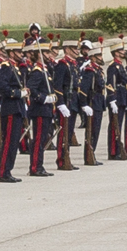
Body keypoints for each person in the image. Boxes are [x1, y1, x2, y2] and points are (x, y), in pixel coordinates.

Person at [0, 43, 27, 183]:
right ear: (11, 53)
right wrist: (18, 93)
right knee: (9, 142)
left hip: (17, 107)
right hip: (10, 107)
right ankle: (3, 172)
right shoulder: (6, 67)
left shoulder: (14, 67)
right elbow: (2, 86)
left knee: (13, 142)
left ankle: (7, 170)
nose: (21, 54)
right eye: (18, 52)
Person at [25, 44, 55, 179]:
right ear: (39, 54)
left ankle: (39, 165)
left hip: (46, 110)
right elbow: (31, 89)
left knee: (42, 139)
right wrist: (44, 99)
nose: (50, 55)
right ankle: (35, 167)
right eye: (46, 53)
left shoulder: (45, 70)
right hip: (39, 110)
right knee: (38, 139)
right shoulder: (37, 71)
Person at [50, 41, 78, 171]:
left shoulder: (72, 65)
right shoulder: (62, 65)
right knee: (64, 133)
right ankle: (61, 160)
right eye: (74, 49)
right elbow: (58, 85)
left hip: (72, 103)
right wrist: (60, 103)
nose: (77, 51)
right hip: (65, 103)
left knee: (69, 132)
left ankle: (67, 158)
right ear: (67, 49)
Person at [76, 39, 104, 167]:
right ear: (92, 57)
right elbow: (84, 89)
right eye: (98, 56)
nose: (100, 58)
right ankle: (89, 156)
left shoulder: (97, 70)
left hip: (98, 103)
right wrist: (84, 104)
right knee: (92, 131)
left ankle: (92, 154)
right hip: (92, 102)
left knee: (96, 131)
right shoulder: (89, 71)